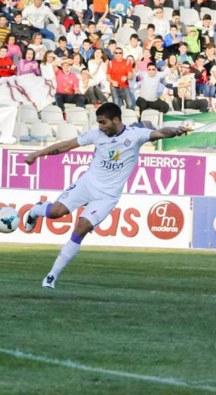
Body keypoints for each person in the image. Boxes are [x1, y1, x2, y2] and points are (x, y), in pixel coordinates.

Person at [23, 103, 188, 289]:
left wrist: (175, 130)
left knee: (81, 228)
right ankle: (36, 210)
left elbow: (159, 133)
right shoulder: (96, 135)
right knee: (55, 212)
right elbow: (66, 145)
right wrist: (37, 154)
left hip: (107, 197)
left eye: (103, 122)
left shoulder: (134, 135)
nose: (100, 127)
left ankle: (51, 277)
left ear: (116, 120)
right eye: (98, 123)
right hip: (87, 185)